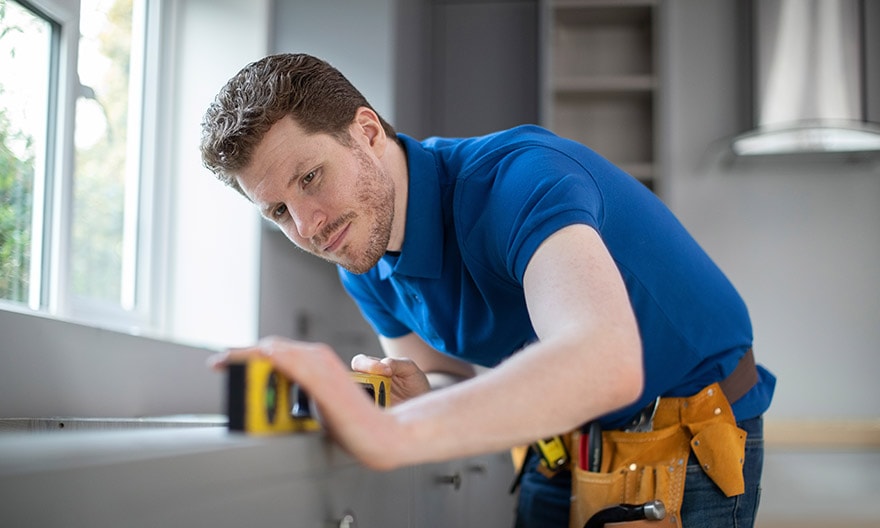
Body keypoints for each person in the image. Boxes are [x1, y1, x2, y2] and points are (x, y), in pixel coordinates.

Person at [200, 53, 775, 528]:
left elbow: (606, 363)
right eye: (278, 210)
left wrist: (391, 432)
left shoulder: (520, 180)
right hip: (562, 435)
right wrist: (419, 395)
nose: (308, 227)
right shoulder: (360, 256)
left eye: (310, 178)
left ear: (367, 133)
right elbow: (444, 375)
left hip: (686, 422)